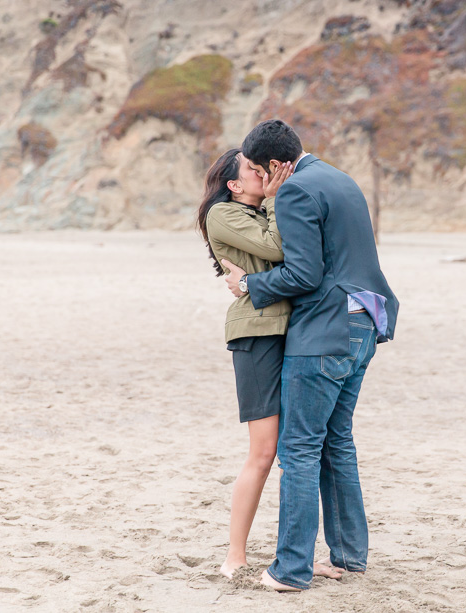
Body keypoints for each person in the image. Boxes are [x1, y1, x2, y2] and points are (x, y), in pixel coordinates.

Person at [221, 119, 399, 591]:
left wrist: (249, 284)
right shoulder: (341, 179)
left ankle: (291, 570)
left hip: (324, 329)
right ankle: (347, 557)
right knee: (336, 443)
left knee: (298, 449)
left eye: (257, 171)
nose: (257, 180)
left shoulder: (296, 191)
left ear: (276, 167)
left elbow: (303, 273)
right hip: (366, 324)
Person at [196, 148, 293, 579]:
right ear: (234, 185)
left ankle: (295, 552)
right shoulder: (223, 214)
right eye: (252, 171)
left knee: (296, 449)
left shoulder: (259, 210)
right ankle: (235, 553)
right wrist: (276, 198)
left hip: (287, 328)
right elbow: (276, 248)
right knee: (263, 450)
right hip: (255, 333)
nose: (262, 174)